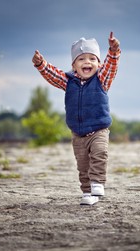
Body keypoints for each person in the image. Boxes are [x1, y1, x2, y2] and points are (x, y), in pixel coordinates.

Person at [32, 32, 121, 205]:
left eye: (92, 59)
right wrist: (41, 64)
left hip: (99, 130)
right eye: (81, 59)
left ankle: (97, 182)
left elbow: (111, 65)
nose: (87, 62)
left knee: (99, 154)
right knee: (82, 165)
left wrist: (113, 50)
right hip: (78, 134)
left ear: (99, 64)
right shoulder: (68, 81)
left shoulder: (102, 79)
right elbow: (53, 75)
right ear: (74, 65)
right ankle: (88, 193)